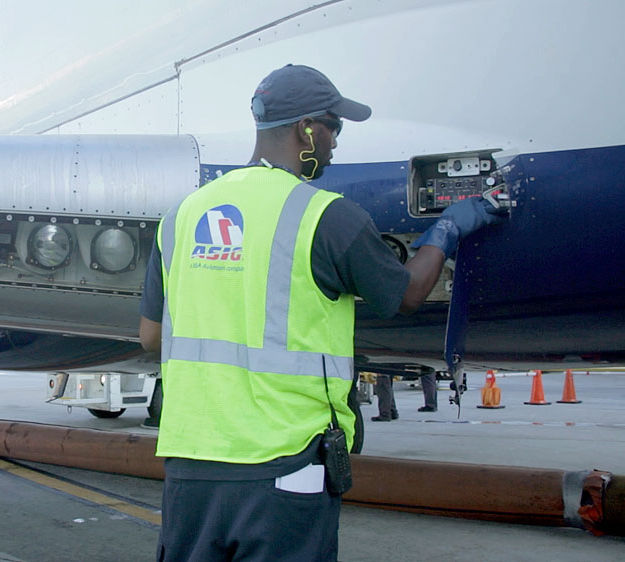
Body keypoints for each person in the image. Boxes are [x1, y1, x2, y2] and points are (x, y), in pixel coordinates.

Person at [138, 63, 506, 562]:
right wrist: (448, 228)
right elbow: (406, 293)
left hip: (190, 468)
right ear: (305, 129)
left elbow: (151, 338)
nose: (335, 142)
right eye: (333, 127)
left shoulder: (180, 218)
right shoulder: (325, 216)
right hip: (284, 467)